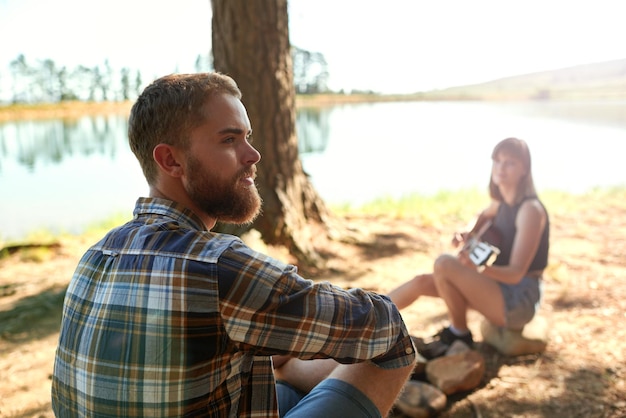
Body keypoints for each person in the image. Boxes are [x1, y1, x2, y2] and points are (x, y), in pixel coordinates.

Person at [51, 72, 416, 418]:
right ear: (171, 160)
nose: (252, 155)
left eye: (248, 136)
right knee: (392, 347)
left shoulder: (96, 254)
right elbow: (386, 327)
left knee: (281, 379)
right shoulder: (218, 267)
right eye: (229, 140)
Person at [388, 137, 549, 358]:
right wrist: (468, 231)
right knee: (421, 282)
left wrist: (478, 268)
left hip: (518, 298)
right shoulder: (502, 202)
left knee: (444, 263)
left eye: (510, 162)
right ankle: (368, 318)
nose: (501, 168)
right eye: (497, 161)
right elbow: (481, 215)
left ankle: (459, 334)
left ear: (524, 169)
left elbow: (515, 274)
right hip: (496, 285)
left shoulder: (530, 210)